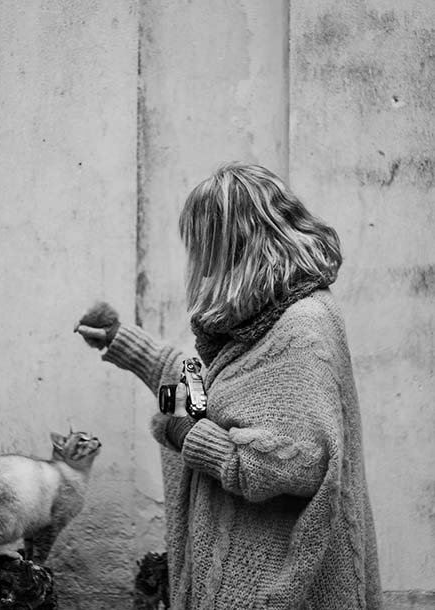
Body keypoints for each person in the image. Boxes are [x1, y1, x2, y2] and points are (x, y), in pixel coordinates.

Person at [76, 163, 382, 609]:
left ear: (234, 243)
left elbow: (294, 461)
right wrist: (125, 341)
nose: (199, 264)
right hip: (246, 575)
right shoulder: (268, 317)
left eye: (202, 244)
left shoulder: (303, 327)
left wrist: (186, 433)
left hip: (275, 587)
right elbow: (212, 389)